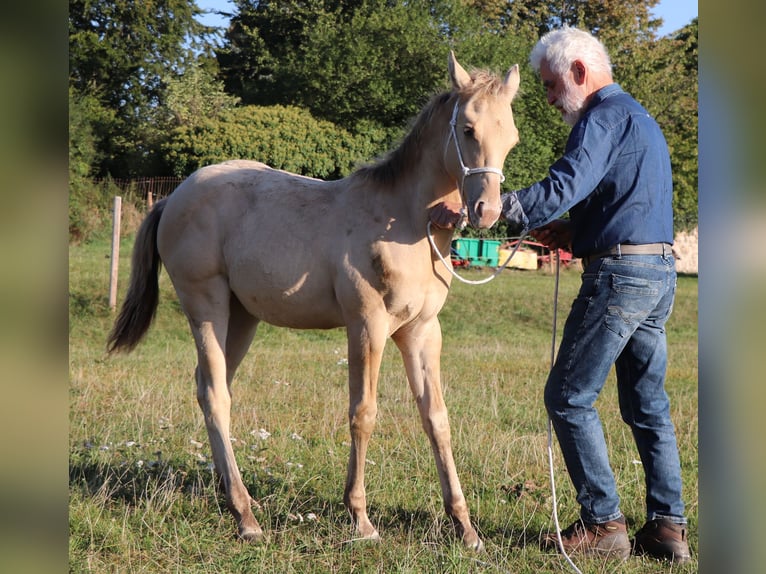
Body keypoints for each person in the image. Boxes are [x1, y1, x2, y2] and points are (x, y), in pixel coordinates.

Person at [430, 26, 691, 563]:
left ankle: (603, 525)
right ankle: (669, 529)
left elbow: (565, 184)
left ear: (579, 72)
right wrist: (575, 234)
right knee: (648, 406)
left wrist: (493, 208)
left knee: (568, 397)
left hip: (618, 280)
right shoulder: (640, 118)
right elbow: (630, 205)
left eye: (550, 86)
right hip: (657, 273)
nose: (549, 99)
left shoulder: (602, 118)